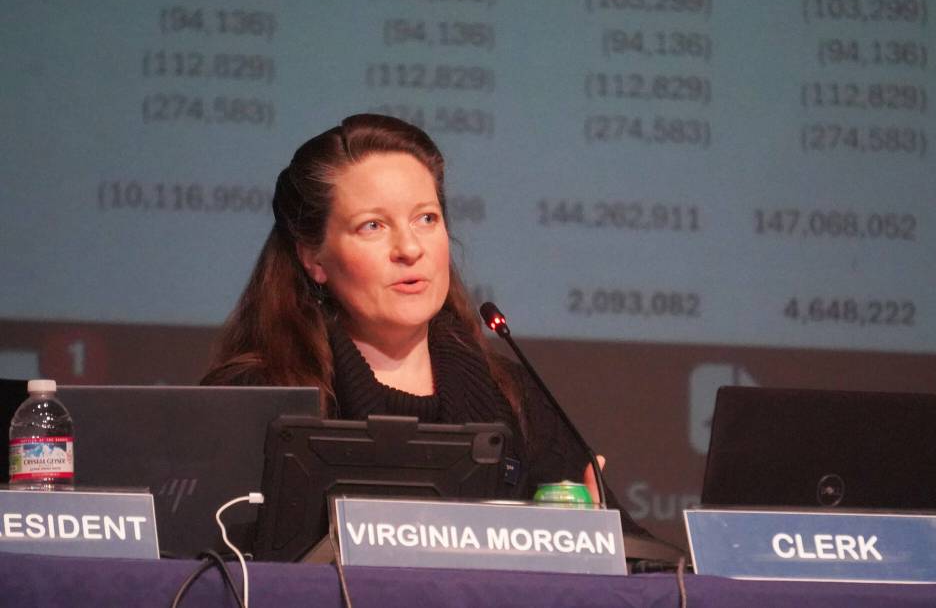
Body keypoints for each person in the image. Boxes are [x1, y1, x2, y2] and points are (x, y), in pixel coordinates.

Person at [202, 113, 640, 530]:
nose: (410, 248)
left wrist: (594, 542)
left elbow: (649, 564)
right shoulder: (256, 397)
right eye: (373, 226)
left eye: (426, 218)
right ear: (313, 257)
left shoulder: (512, 396)